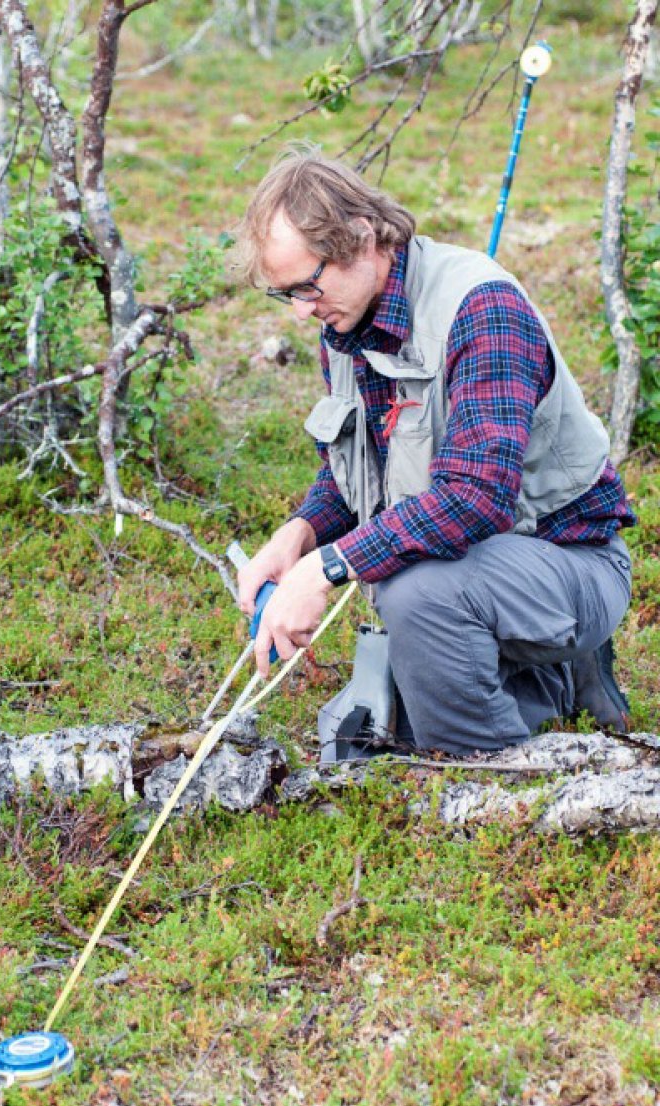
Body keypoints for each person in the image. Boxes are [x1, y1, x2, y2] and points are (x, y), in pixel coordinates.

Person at [234, 145, 635, 757]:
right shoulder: (342, 326)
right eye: (285, 294)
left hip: (570, 560)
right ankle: (553, 680)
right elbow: (357, 472)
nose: (301, 312)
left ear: (363, 238)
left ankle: (490, 770)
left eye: (309, 285)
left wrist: (327, 568)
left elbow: (476, 500)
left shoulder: (481, 309)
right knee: (405, 673)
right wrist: (297, 537)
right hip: (481, 569)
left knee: (414, 595)